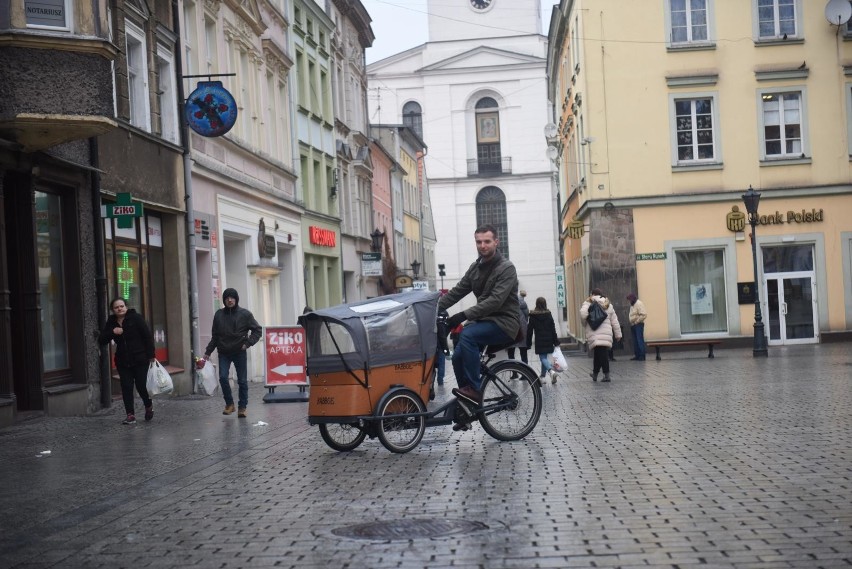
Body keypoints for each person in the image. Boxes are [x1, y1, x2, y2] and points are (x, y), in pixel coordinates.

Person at [439, 224, 520, 405]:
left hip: (505, 322)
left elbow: (494, 301)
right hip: (484, 321)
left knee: (467, 334)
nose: (482, 245)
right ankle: (467, 402)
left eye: (487, 241)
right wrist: (433, 308)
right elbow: (457, 292)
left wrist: (461, 316)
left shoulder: (507, 268)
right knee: (458, 355)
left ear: (496, 242)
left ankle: (474, 390)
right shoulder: (475, 268)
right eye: (479, 242)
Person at [203, 288, 262, 418]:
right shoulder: (219, 315)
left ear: (236, 299)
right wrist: (208, 352)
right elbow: (215, 336)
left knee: (242, 381)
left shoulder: (245, 314)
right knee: (223, 378)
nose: (229, 300)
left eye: (232, 297)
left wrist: (247, 344)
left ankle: (242, 407)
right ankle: (230, 404)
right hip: (223, 352)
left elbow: (257, 330)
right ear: (224, 300)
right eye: (227, 298)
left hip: (239, 352)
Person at [98, 297, 155, 425]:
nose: (119, 309)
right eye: (116, 307)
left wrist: (151, 356)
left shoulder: (136, 318)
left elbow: (147, 337)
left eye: (121, 306)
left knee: (141, 386)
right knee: (126, 387)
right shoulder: (111, 322)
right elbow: (102, 340)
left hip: (140, 359)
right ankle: (130, 415)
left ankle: (148, 406)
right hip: (123, 361)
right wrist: (113, 332)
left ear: (126, 307)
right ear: (113, 310)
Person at [580, 288, 622, 383]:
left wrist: (586, 322)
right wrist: (618, 334)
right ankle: (595, 374)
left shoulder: (588, 302)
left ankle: (606, 375)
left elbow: (583, 314)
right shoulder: (608, 304)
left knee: (602, 355)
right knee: (598, 354)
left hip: (594, 332)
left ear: (592, 294)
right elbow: (614, 321)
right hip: (606, 334)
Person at [526, 296, 560, 384]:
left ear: (536, 304)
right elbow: (553, 329)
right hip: (549, 339)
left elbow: (529, 331)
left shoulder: (533, 316)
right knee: (544, 358)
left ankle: (551, 372)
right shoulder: (548, 314)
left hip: (539, 340)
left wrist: (528, 343)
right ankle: (542, 376)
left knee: (542, 358)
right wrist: (555, 341)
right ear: (545, 304)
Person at [506, 290, 529, 366]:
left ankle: (514, 372)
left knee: (511, 353)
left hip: (511, 330)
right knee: (523, 352)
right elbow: (526, 317)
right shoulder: (523, 303)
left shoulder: (506, 303)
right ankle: (525, 372)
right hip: (522, 330)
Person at [627, 293, 647, 361]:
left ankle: (642, 355)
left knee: (639, 340)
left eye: (629, 300)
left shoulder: (639, 303)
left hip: (638, 324)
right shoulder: (632, 305)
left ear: (632, 299)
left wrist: (636, 321)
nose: (629, 301)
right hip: (633, 325)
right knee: (635, 341)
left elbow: (644, 315)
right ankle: (637, 355)